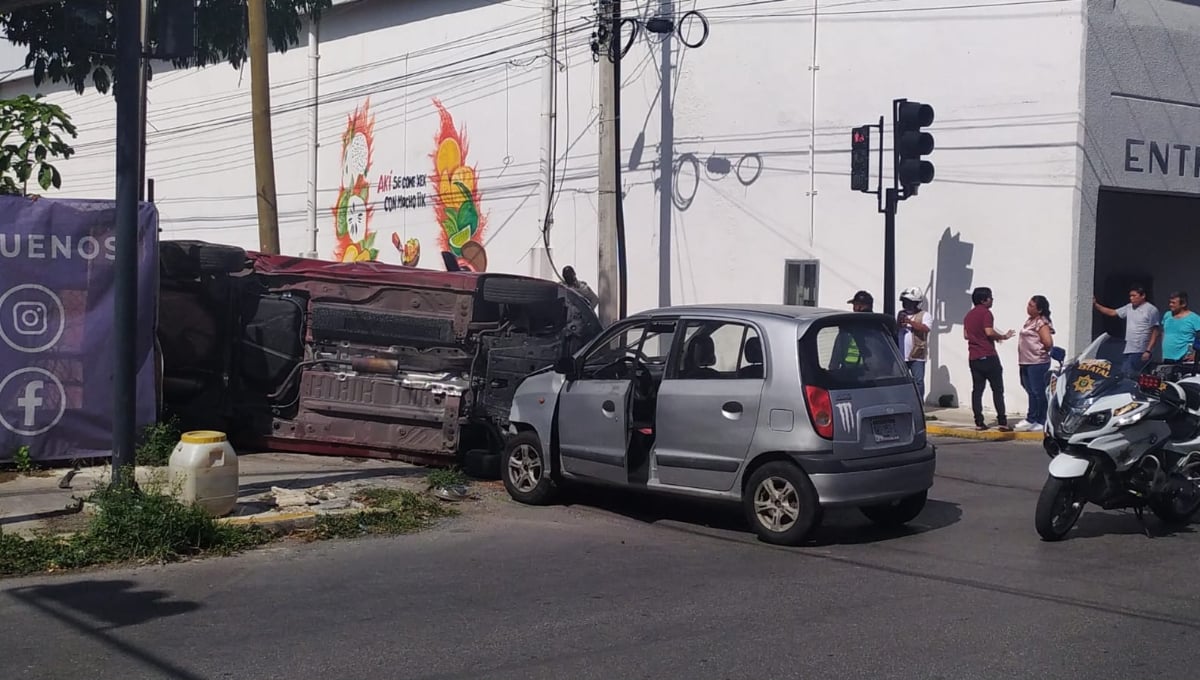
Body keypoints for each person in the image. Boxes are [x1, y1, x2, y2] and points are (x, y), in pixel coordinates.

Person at [963, 287, 1015, 432]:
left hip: (974, 357)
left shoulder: (968, 315)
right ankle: (1002, 422)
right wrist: (1003, 336)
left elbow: (966, 335)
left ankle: (979, 422)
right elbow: (989, 331)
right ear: (983, 300)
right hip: (988, 355)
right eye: (990, 297)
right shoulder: (986, 313)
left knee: (977, 390)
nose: (992, 300)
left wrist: (977, 337)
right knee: (997, 390)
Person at [1093, 286, 1160, 378]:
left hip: (1141, 350)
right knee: (1124, 373)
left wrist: (1148, 350)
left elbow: (1155, 331)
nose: (1131, 298)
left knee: (1131, 374)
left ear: (1143, 295)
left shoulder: (1151, 310)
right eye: (1130, 296)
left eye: (1134, 296)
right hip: (1128, 349)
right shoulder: (1129, 307)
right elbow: (1113, 313)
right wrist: (1096, 305)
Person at [1015, 295, 1054, 432]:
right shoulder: (1030, 321)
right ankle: (1031, 418)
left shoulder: (1041, 322)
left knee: (1039, 391)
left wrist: (1040, 351)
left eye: (1031, 306)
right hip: (1025, 361)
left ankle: (1042, 420)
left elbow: (1048, 342)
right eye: (1028, 304)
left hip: (1037, 362)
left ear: (1040, 309)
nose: (1028, 307)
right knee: (1029, 389)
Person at [897, 287, 930, 401]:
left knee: (918, 381)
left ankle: (919, 403)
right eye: (904, 302)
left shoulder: (924, 315)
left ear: (915, 303)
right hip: (901, 354)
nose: (905, 304)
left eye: (908, 302)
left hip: (917, 354)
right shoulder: (901, 314)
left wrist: (910, 322)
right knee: (901, 381)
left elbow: (925, 328)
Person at [1160, 291, 1200, 370]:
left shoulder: (1194, 318)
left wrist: (1195, 354)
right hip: (1167, 358)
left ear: (1183, 304)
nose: (1170, 305)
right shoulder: (1167, 315)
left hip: (1184, 359)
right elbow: (1164, 332)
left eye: (1173, 303)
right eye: (1170, 302)